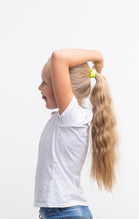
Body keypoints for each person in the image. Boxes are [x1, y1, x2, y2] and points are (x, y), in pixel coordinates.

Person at [35, 49, 118, 219]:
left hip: (65, 213)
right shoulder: (66, 119)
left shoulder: (72, 117)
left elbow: (58, 57)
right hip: (60, 212)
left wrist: (98, 57)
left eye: (45, 82)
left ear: (63, 86)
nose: (39, 87)